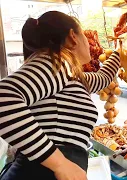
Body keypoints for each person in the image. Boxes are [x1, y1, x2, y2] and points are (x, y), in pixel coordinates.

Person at [0, 11, 120, 180]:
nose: (88, 42)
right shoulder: (55, 61)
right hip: (38, 173)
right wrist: (60, 164)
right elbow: (3, 97)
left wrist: (121, 53)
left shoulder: (70, 74)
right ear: (73, 37)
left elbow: (102, 79)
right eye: (84, 35)